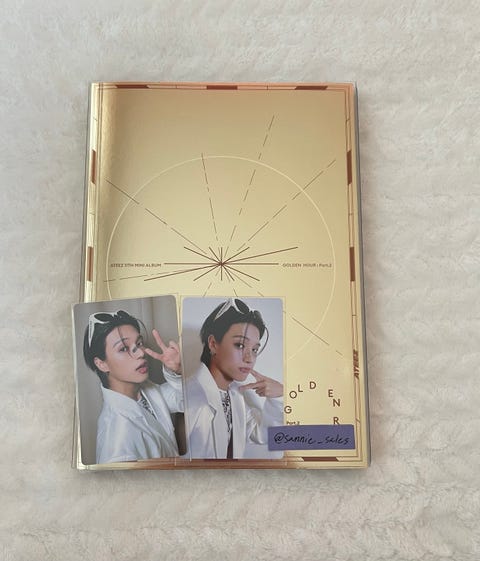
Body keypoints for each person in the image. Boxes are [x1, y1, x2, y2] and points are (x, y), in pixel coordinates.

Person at [185, 298, 283, 459]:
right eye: (240, 345)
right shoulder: (188, 399)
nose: (249, 358)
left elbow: (264, 435)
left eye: (254, 349)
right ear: (213, 344)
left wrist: (278, 397)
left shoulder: (235, 396)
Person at [83, 310, 183, 463]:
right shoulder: (117, 441)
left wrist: (176, 370)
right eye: (123, 348)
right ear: (101, 364)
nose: (141, 353)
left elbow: (188, 399)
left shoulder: (145, 392)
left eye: (139, 343)